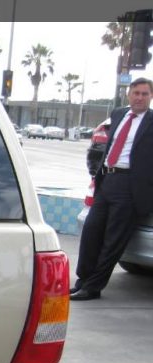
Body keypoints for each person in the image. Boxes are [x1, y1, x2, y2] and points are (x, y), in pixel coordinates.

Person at [71, 77, 153, 300]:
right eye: (136, 93)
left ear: (151, 96)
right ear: (129, 94)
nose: (139, 97)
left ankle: (93, 287)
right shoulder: (118, 115)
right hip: (107, 180)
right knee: (91, 231)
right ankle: (83, 280)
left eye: (145, 94)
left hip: (130, 186)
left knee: (113, 241)